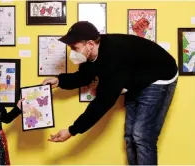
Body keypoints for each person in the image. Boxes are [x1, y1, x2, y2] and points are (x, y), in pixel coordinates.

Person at [43, 21, 178, 165]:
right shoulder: (90, 55)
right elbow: (84, 77)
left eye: (74, 47)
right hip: (135, 79)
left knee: (142, 136)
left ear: (90, 44)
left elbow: (102, 103)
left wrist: (72, 131)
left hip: (159, 77)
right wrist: (59, 81)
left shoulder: (114, 57)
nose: (72, 52)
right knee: (130, 137)